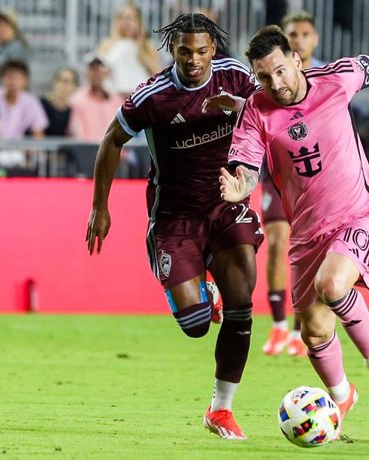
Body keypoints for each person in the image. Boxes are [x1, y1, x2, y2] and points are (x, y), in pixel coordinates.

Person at [220, 26, 369, 430]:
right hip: (306, 234)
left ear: (296, 60)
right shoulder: (256, 110)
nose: (274, 83)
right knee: (313, 332)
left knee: (333, 285)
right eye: (264, 77)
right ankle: (340, 396)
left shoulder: (335, 80)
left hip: (358, 213)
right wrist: (237, 190)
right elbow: (246, 169)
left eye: (280, 71)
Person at [85, 13, 262, 440]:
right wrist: (99, 207)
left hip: (226, 203)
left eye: (202, 51)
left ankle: (221, 409)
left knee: (243, 299)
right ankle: (205, 293)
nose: (194, 60)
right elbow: (112, 139)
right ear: (173, 51)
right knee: (196, 324)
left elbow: (268, 113)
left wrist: (241, 111)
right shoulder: (153, 96)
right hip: (174, 217)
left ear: (213, 49)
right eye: (185, 51)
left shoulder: (235, 77)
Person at [260, 10, 327, 358]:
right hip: (277, 174)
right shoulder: (272, 78)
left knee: (315, 250)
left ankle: (306, 326)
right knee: (276, 241)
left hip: (317, 178)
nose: (298, 39)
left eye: (304, 34)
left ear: (313, 41)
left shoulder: (326, 79)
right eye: (292, 34)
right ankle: (277, 326)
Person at [96, 2, 163, 96]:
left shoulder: (148, 45)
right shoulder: (106, 44)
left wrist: (141, 50)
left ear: (139, 22)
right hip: (113, 97)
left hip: (139, 98)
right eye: (122, 18)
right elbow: (99, 71)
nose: (126, 22)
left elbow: (158, 75)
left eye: (130, 18)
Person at [68, 54, 125, 142]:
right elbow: (76, 132)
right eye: (92, 68)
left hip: (115, 153)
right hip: (87, 152)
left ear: (106, 72)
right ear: (85, 72)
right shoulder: (76, 100)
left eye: (100, 68)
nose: (96, 72)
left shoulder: (116, 100)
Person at [0, 60, 48, 139]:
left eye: (18, 78)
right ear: (2, 78)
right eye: (10, 77)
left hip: (19, 148)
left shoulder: (32, 102)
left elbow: (38, 132)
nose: (13, 82)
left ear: (26, 81)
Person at [0, 8, 31, 89]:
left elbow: (13, 82)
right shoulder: (2, 49)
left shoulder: (17, 50)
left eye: (4, 26)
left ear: (14, 29)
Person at [40, 67, 79, 137]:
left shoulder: (72, 111)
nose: (66, 86)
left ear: (75, 87)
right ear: (54, 82)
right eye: (64, 81)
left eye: (71, 82)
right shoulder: (41, 105)